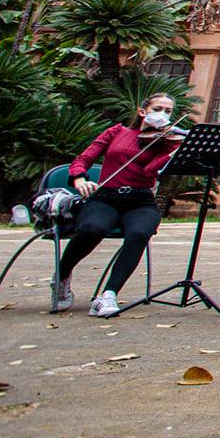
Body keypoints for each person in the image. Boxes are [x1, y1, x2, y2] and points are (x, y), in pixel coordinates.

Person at [54, 94, 185, 317]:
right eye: (158, 108)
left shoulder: (165, 143)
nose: (163, 114)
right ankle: (62, 276)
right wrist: (79, 179)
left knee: (140, 232)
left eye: (168, 111)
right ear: (143, 111)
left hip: (140, 201)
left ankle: (109, 295)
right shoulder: (117, 132)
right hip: (105, 197)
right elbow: (83, 159)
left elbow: (149, 172)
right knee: (93, 228)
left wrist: (173, 151)